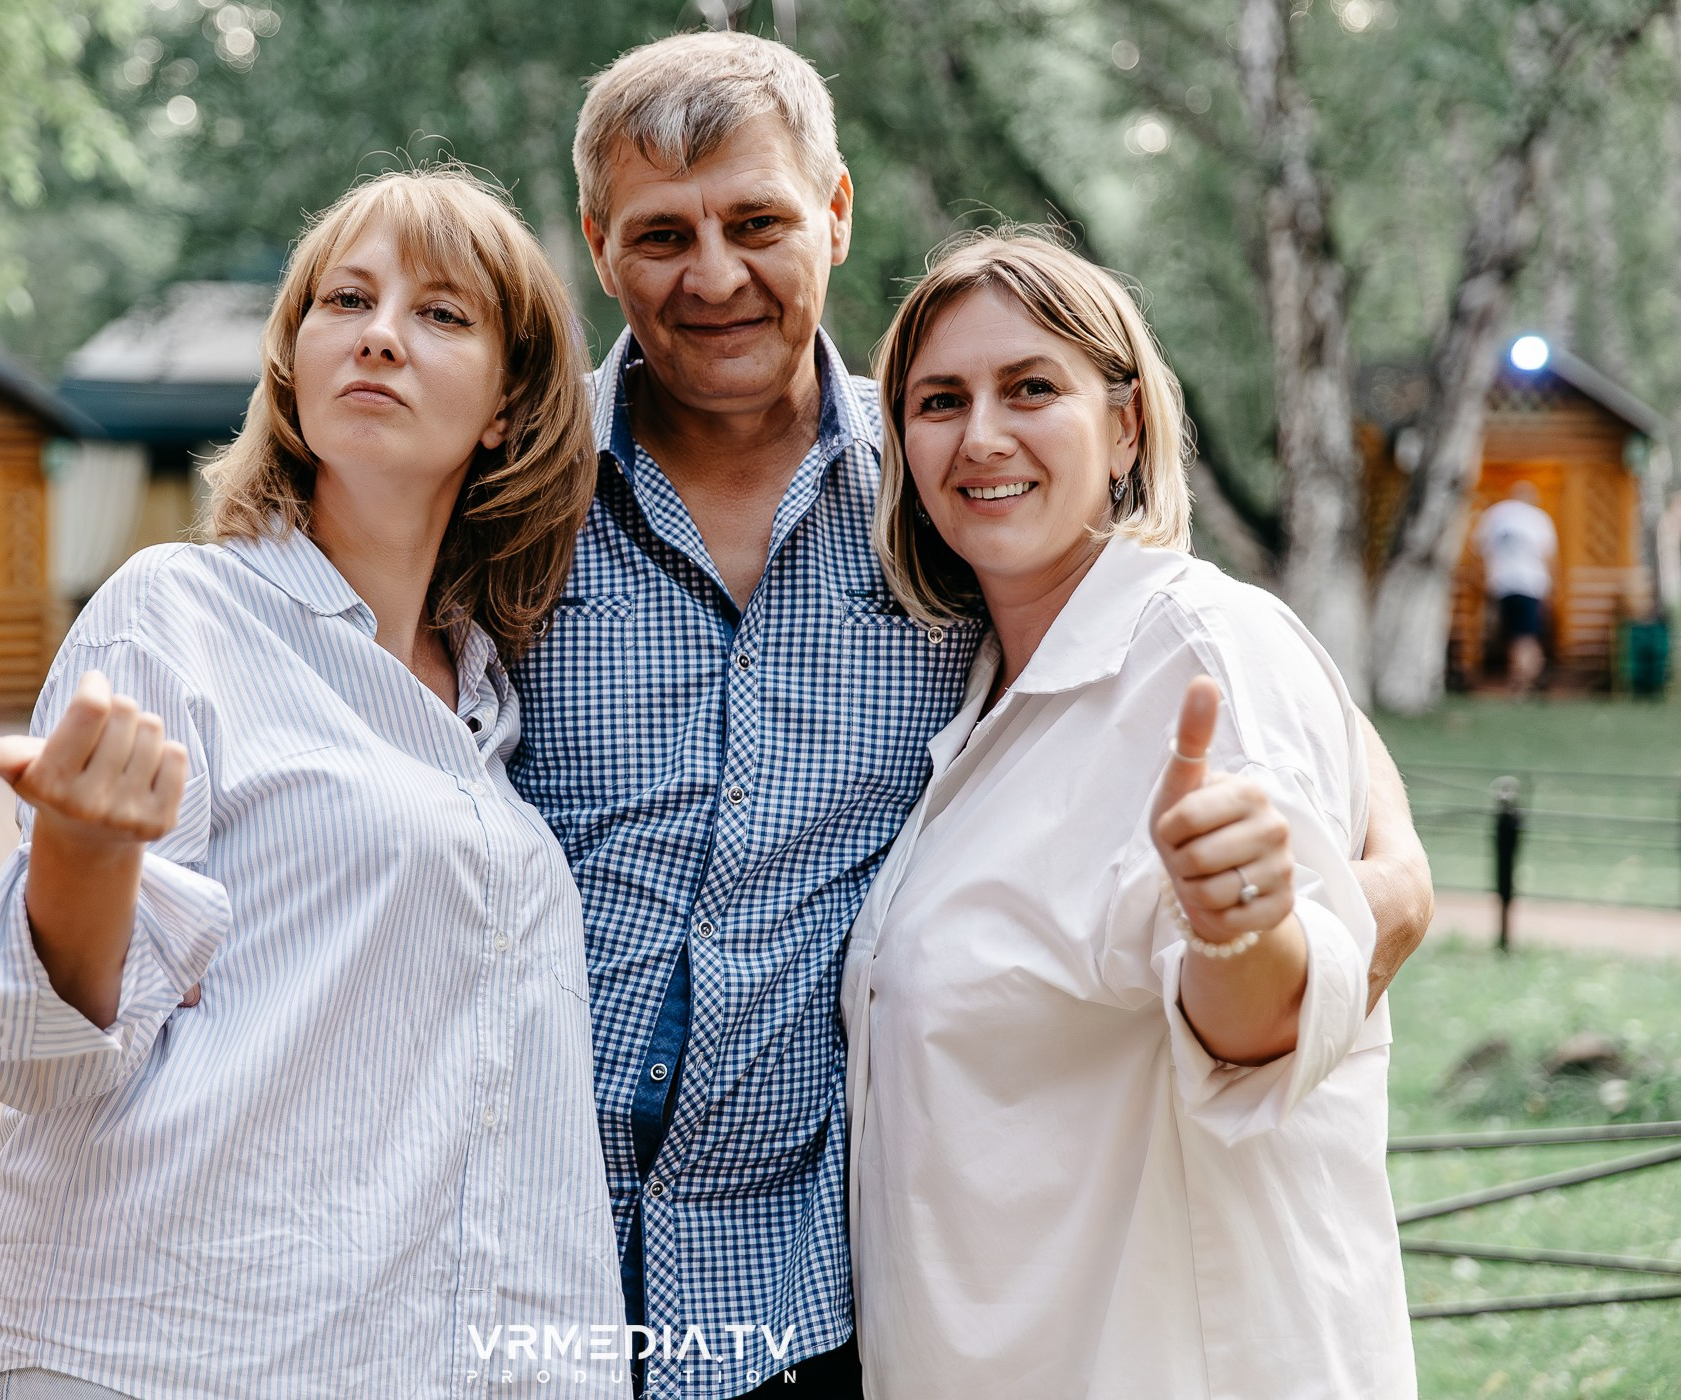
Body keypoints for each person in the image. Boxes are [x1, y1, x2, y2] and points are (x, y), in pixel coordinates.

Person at [511, 31, 1434, 1400]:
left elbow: (1229, 681)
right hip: (530, 1277)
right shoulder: (507, 497)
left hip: (797, 1307)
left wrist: (1369, 878)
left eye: (758, 220)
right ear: (598, 244)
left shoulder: (942, 485)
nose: (714, 275)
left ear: (834, 214)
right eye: (663, 235)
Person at [0, 169, 625, 1399]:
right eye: (345, 299)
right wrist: (83, 852)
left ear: (511, 406)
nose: (380, 334)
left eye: (442, 315)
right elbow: (42, 1059)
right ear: (294, 363)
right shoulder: (177, 612)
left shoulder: (492, 704)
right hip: (150, 1350)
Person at [842, 230, 1414, 1397]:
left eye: (1032, 387)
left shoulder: (1200, 650)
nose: (982, 435)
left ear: (1127, 424)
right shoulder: (977, 696)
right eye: (940, 399)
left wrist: (1241, 927)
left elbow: (1265, 1031)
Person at [1473, 480, 1557, 696]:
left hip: (1502, 583)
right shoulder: (1538, 518)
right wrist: (1553, 588)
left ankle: (1522, 679)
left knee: (1514, 634)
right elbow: (1549, 556)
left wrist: (1483, 580)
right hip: (1531, 584)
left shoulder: (1495, 514)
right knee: (1526, 635)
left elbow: (1479, 550)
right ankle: (1525, 680)